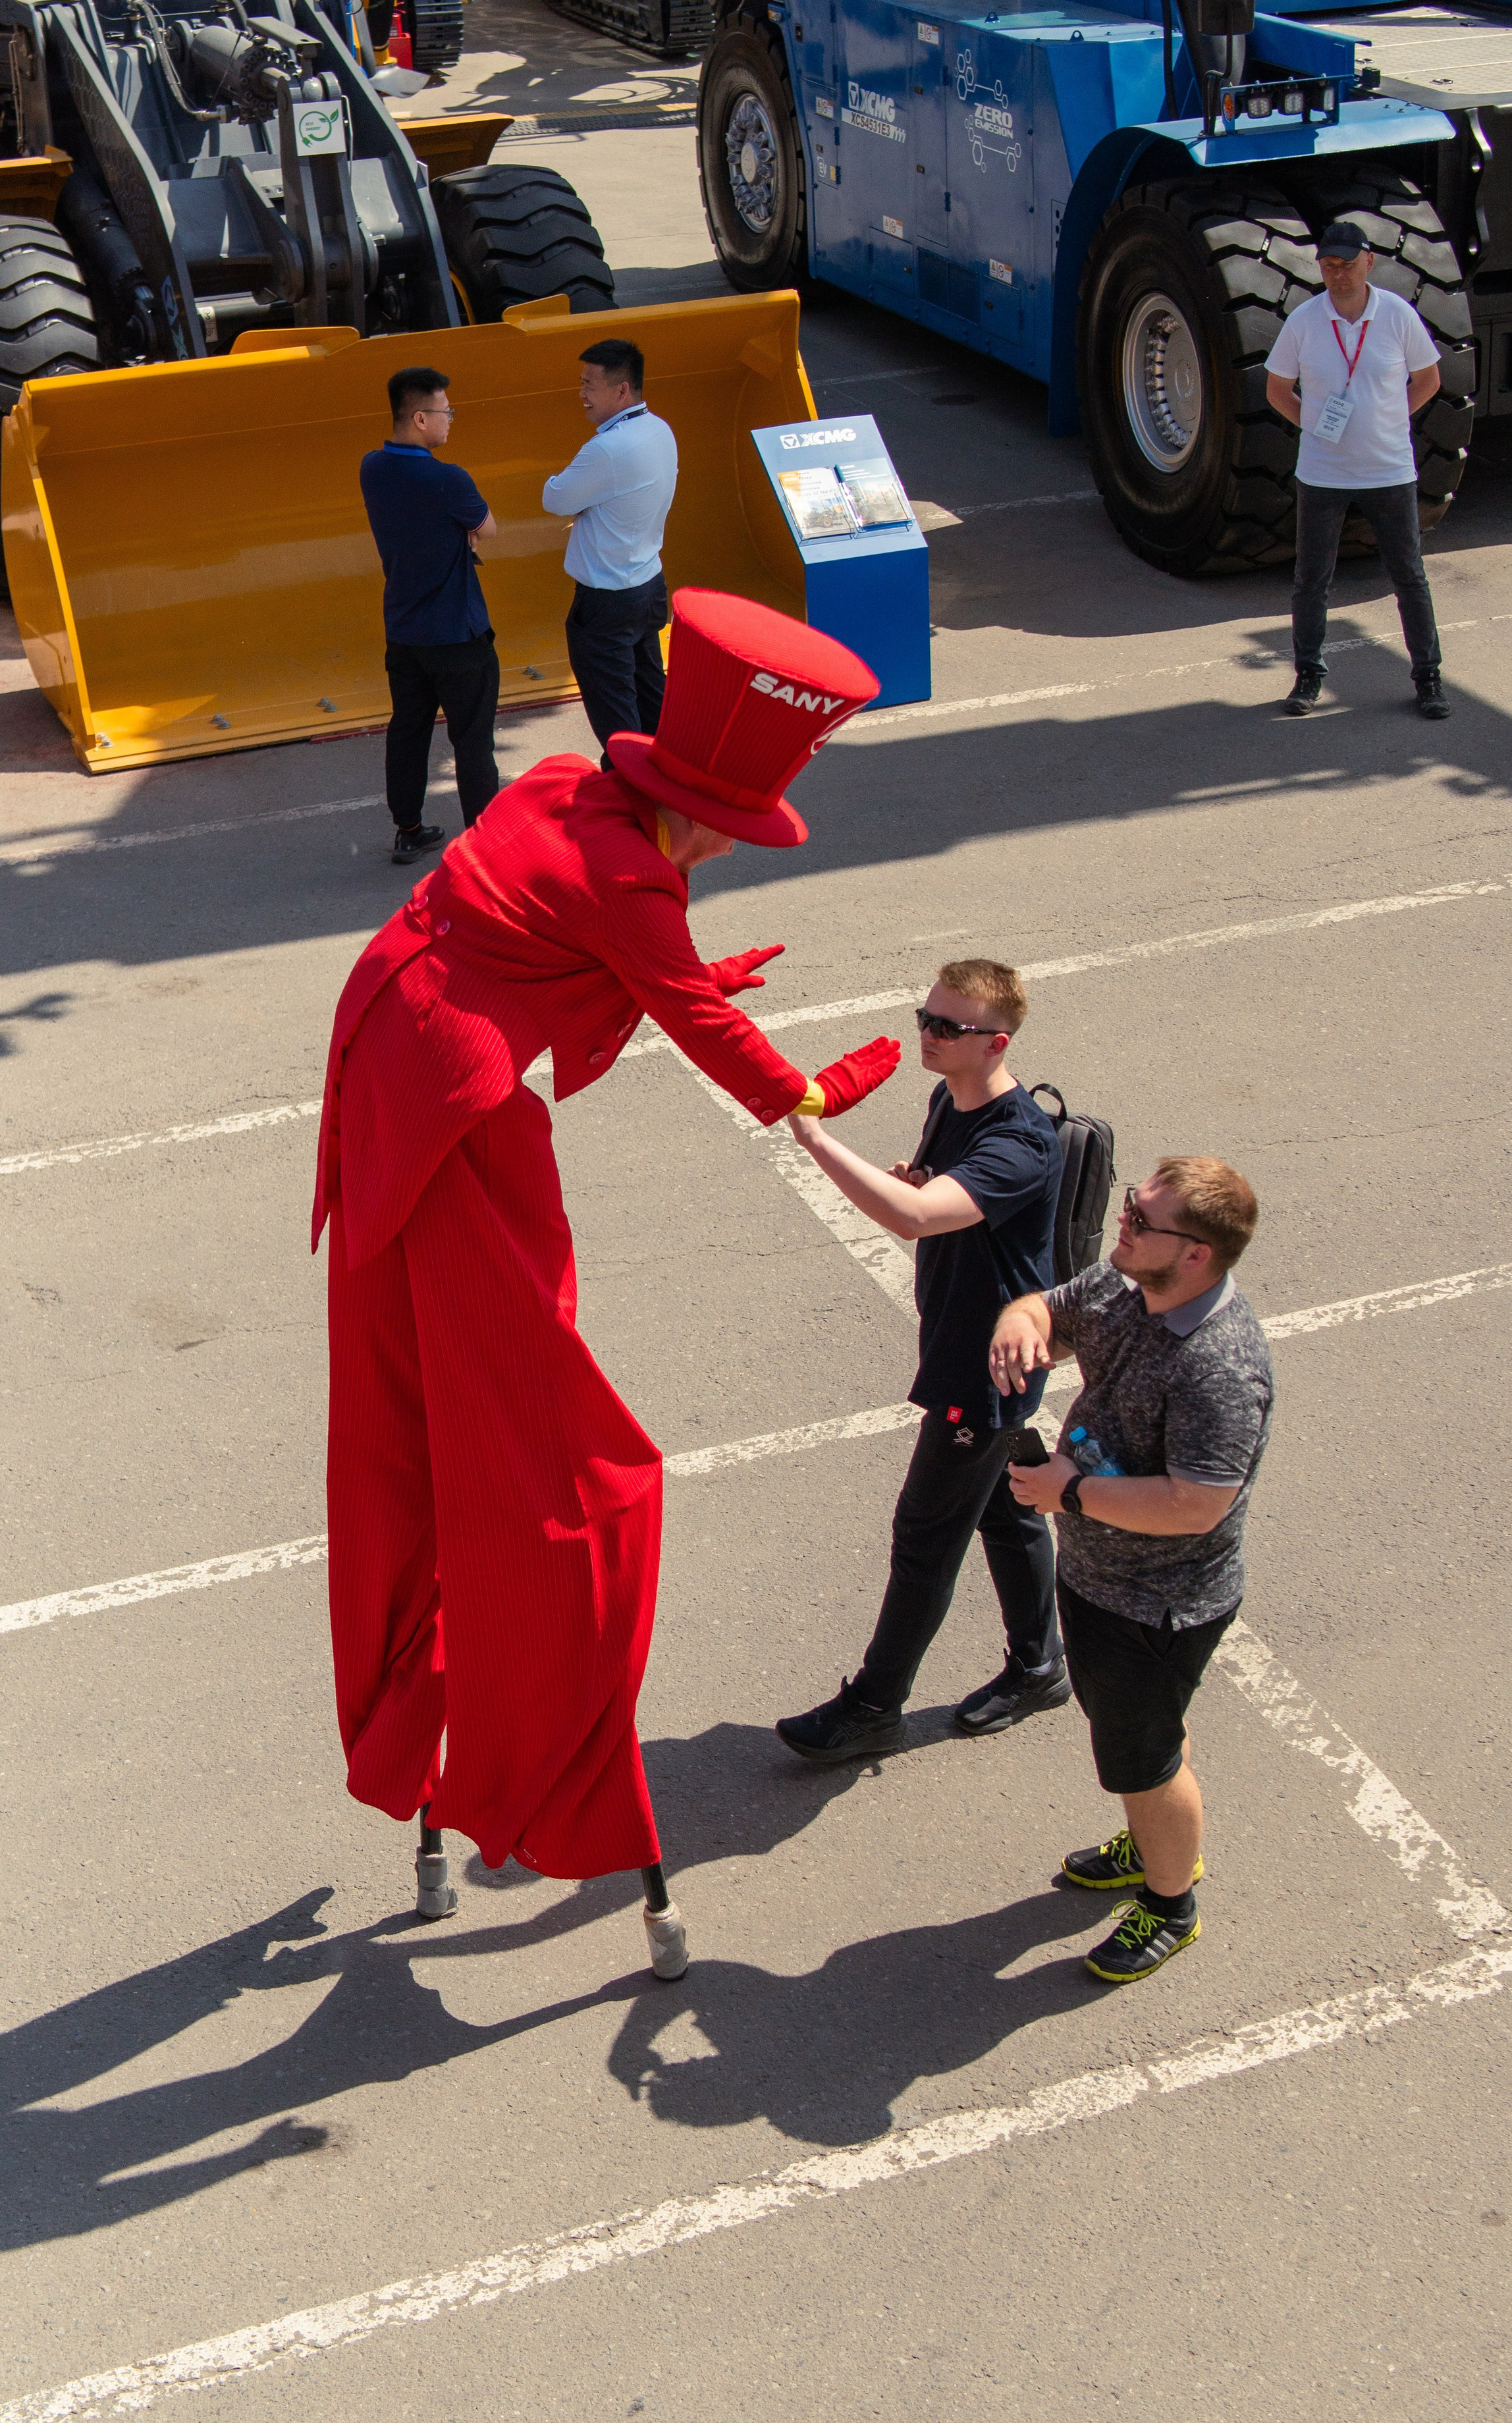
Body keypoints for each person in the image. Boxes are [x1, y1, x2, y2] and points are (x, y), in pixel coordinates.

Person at [311, 589, 900, 1965]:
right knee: (564, 1470)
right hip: (450, 1115)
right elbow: (679, 1000)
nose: (723, 855)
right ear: (695, 818)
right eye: (731, 834)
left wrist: (671, 967)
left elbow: (558, 936)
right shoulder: (634, 877)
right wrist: (812, 1084)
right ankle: (546, 1769)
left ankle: (429, 1741)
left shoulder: (571, 789)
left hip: (391, 1059)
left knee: (423, 1416)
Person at [775, 960, 1066, 1764]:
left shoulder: (1020, 1142)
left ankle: (874, 1705)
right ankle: (1040, 1667)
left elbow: (911, 1218)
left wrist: (816, 1138)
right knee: (1006, 1509)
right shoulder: (950, 1097)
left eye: (948, 1027)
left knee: (927, 1533)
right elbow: (931, 1197)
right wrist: (923, 1179)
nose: (928, 1037)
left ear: (995, 1043)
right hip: (960, 1341)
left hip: (987, 1367)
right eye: (925, 1018)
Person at [990, 1160, 1272, 1987]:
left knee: (1142, 1758)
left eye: (1143, 1221)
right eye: (1129, 1210)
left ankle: (1169, 1901)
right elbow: (1051, 1308)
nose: (1124, 1226)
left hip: (1159, 1604)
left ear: (1195, 1256)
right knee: (1133, 1741)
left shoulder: (1219, 1367)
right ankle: (1152, 1838)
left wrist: (1069, 1494)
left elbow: (1196, 1504)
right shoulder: (1127, 1287)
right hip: (1099, 1577)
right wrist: (1021, 1319)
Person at [1265, 220, 1452, 723]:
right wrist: (1317, 427)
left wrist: (1390, 420)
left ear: (1368, 262)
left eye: (1347, 265)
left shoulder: (1396, 315)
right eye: (1328, 265)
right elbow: (1277, 390)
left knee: (1409, 577)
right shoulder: (1304, 321)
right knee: (1311, 579)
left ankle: (1429, 679)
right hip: (1323, 472)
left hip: (1389, 471)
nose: (1338, 275)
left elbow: (1429, 379)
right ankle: (1308, 675)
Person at [360, 366, 502, 870]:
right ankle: (485, 844)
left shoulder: (371, 469)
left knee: (409, 730)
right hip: (458, 635)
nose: (450, 421)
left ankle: (409, 829)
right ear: (420, 418)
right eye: (446, 412)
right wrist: (463, 532)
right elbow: (488, 527)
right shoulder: (448, 479)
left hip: (404, 631)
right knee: (472, 740)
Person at [542, 339, 678, 769]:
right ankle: (670, 793)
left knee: (617, 721)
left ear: (622, 391)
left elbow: (556, 497)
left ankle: (631, 803)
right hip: (648, 587)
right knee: (650, 697)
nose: (581, 394)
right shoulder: (661, 430)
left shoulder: (606, 449)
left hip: (606, 602)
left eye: (589, 385)